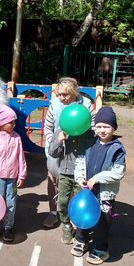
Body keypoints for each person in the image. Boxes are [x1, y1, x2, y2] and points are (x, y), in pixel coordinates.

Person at [72, 107, 126, 264]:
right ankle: (81, 240)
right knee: (84, 215)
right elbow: (80, 161)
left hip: (104, 194)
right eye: (99, 126)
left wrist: (97, 178)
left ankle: (100, 249)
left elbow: (118, 172)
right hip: (88, 191)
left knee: (102, 221)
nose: (102, 130)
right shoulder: (90, 143)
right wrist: (80, 177)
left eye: (107, 127)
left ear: (114, 128)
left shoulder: (117, 148)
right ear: (94, 127)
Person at [43, 77, 95, 229]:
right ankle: (53, 213)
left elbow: (92, 126)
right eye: (59, 94)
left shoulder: (86, 104)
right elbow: (48, 127)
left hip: (78, 151)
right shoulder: (55, 104)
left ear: (74, 92)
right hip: (58, 149)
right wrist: (53, 142)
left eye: (65, 94)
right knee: (53, 180)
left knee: (74, 183)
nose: (61, 98)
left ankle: (73, 216)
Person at [0, 105, 27, 243]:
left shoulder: (16, 138)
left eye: (14, 122)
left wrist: (22, 175)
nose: (14, 124)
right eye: (11, 122)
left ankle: (8, 227)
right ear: (1, 123)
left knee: (11, 202)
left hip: (12, 177)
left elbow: (21, 157)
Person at [48, 122, 96, 245]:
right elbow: (52, 153)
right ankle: (66, 225)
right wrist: (59, 140)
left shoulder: (89, 133)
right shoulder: (61, 131)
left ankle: (79, 228)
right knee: (62, 201)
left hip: (83, 175)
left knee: (80, 203)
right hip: (65, 173)